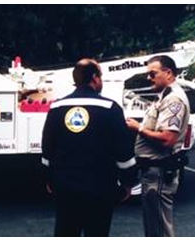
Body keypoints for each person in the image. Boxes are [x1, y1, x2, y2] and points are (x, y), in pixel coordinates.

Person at [41, 58, 137, 237]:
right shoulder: (111, 108)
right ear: (94, 78)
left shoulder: (56, 108)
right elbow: (123, 152)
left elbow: (47, 148)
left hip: (65, 187)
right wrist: (128, 182)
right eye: (100, 76)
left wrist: (49, 178)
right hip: (100, 187)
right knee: (97, 232)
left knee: (66, 232)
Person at [126, 55, 190, 237]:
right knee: (154, 227)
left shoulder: (174, 99)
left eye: (153, 74)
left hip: (159, 171)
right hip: (153, 171)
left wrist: (138, 128)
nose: (149, 78)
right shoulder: (165, 96)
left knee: (160, 228)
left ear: (168, 73)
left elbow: (167, 138)